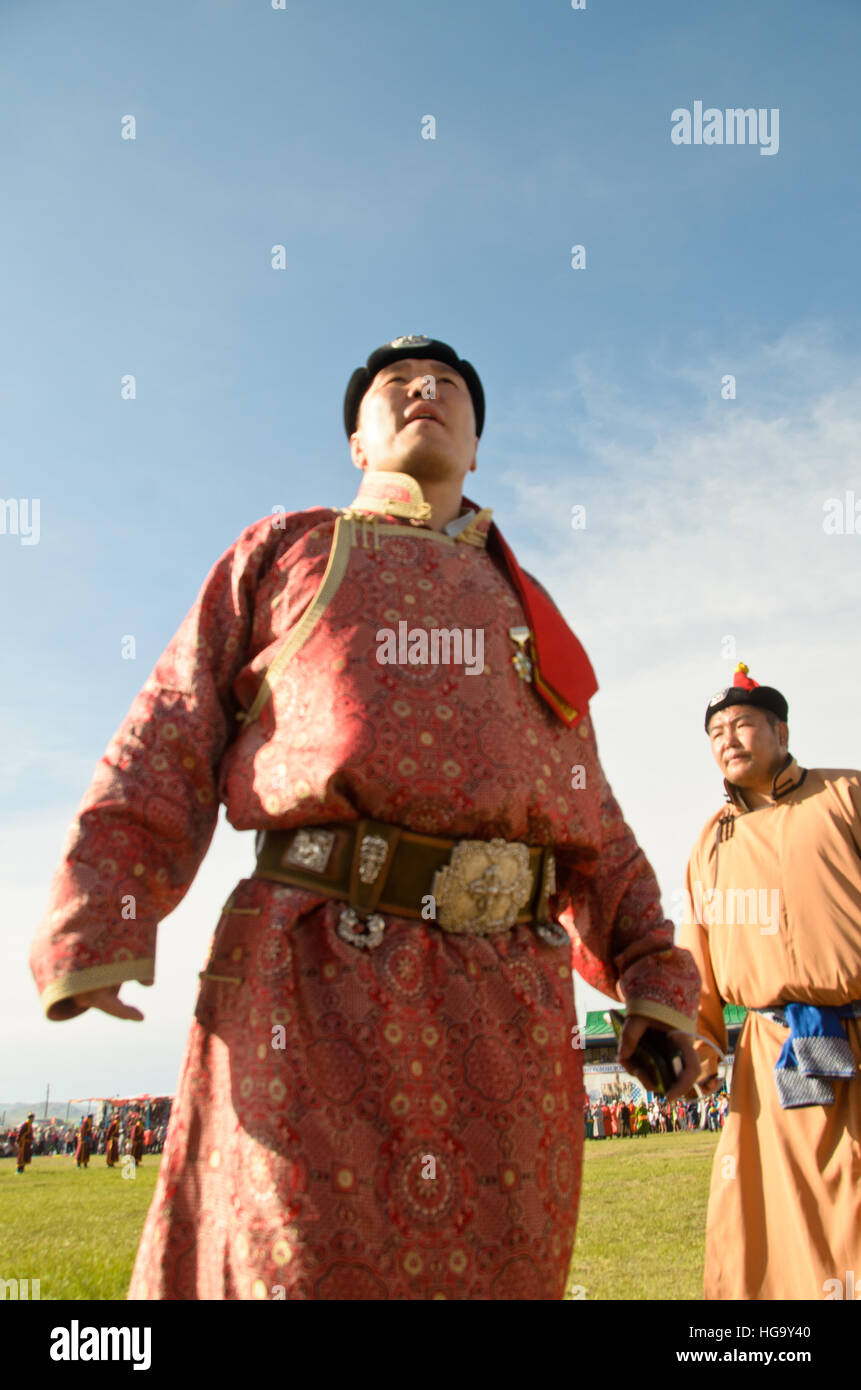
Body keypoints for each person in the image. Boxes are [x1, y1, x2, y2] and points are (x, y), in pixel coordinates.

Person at [30, 334, 700, 1301]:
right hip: (310, 979)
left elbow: (588, 806)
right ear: (357, 441)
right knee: (294, 1269)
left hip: (511, 1013)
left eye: (449, 388)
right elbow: (171, 725)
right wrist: (103, 905)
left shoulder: (530, 610)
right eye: (396, 385)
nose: (424, 390)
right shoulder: (286, 550)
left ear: (477, 448)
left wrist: (649, 972)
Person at [680, 662, 861, 1299]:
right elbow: (694, 957)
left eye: (742, 725)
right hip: (769, 1052)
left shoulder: (846, 794)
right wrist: (697, 1048)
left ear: (779, 732)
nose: (727, 739)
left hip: (859, 1033)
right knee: (769, 1226)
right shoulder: (710, 843)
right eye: (715, 732)